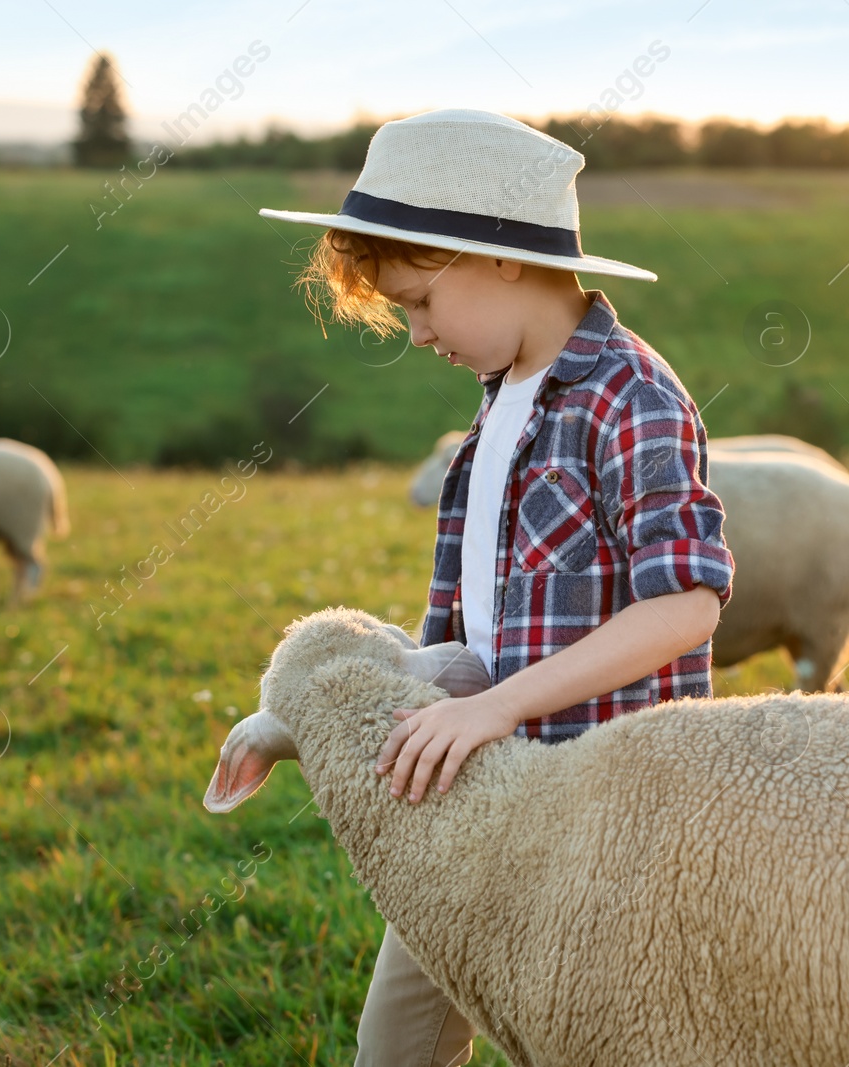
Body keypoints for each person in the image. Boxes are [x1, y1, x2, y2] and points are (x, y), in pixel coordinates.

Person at [260, 107, 734, 1067]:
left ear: (504, 256)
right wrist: (302, 716)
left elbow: (685, 602)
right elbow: (470, 632)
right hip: (481, 806)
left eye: (422, 303)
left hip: (601, 826)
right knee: (392, 1046)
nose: (419, 333)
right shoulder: (494, 415)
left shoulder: (630, 396)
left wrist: (500, 709)